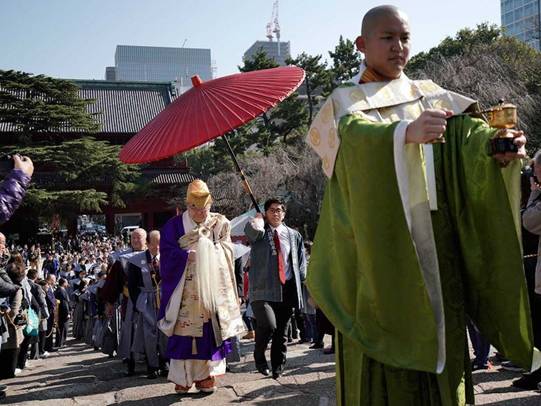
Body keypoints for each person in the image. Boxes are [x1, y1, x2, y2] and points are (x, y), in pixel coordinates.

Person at [306, 5, 534, 405]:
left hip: (436, 244)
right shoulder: (344, 103)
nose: (398, 47)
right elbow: (355, 142)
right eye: (387, 38)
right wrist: (402, 134)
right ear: (362, 45)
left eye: (405, 37)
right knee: (384, 352)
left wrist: (496, 149)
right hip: (379, 253)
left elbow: (467, 137)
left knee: (445, 343)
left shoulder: (430, 95)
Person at [158, 179, 245, 394]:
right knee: (184, 335)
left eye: (203, 208)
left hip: (211, 288)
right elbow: (166, 255)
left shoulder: (220, 223)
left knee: (209, 333)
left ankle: (207, 376)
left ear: (210, 205)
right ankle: (183, 378)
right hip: (185, 290)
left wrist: (208, 250)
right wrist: (185, 256)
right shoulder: (174, 226)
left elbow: (228, 250)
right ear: (187, 206)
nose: (198, 213)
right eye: (193, 208)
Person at [244, 198, 307, 379]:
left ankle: (278, 366)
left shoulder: (294, 235)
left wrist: (303, 282)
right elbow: (250, 233)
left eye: (279, 210)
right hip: (263, 289)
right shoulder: (259, 231)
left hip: (286, 288)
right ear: (265, 213)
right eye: (272, 210)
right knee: (269, 325)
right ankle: (259, 355)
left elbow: (301, 263)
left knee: (282, 332)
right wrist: (257, 220)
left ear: (284, 213)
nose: (276, 213)